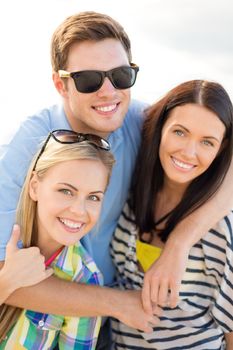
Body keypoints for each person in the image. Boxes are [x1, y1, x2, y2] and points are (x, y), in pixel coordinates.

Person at [0, 11, 233, 348]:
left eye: (121, 75)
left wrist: (179, 245)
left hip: (115, 332)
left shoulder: (139, 121)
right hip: (38, 328)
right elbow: (9, 280)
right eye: (89, 79)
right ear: (60, 84)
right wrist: (117, 304)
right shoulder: (30, 145)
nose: (109, 92)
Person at [111, 79, 233, 349]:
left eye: (207, 142)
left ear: (221, 149)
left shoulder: (221, 228)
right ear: (161, 127)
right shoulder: (130, 198)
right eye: (180, 132)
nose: (189, 152)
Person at [0, 130, 116, 348]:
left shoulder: (85, 278)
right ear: (35, 186)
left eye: (93, 197)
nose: (79, 211)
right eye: (66, 191)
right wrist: (7, 282)